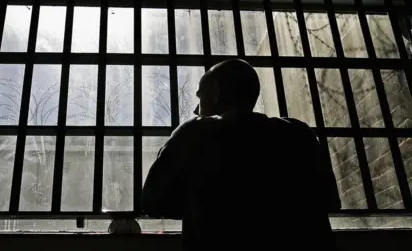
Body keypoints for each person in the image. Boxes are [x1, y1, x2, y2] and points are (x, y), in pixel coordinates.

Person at [141, 59, 341, 250]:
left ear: (216, 92)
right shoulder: (299, 134)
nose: (196, 109)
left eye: (200, 95)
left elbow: (153, 201)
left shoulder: (196, 133)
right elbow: (330, 200)